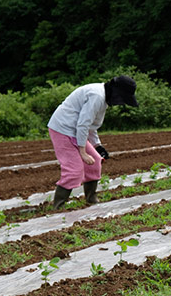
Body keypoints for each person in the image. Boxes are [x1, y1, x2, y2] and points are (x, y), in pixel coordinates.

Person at [48, 75, 138, 209]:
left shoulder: (103, 98)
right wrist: (82, 152)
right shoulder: (97, 96)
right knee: (74, 170)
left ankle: (91, 198)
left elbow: (90, 125)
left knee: (95, 160)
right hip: (63, 129)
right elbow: (83, 124)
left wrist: (97, 146)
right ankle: (58, 206)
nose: (120, 103)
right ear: (115, 92)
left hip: (75, 130)